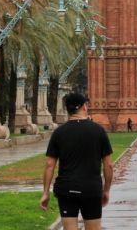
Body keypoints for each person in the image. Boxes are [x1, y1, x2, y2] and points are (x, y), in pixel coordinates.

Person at [41, 92, 114, 230]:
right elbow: (109, 165)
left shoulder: (59, 132)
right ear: (84, 107)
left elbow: (49, 165)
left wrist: (45, 192)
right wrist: (106, 191)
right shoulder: (98, 131)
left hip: (66, 189)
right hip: (91, 189)